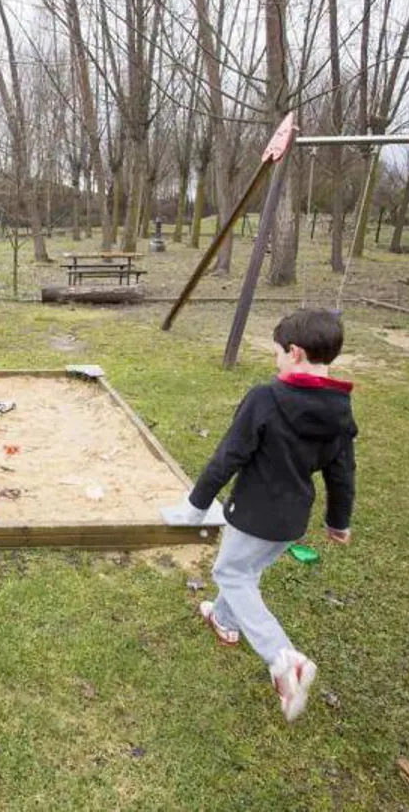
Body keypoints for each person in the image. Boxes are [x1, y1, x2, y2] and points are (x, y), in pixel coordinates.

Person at [163, 308, 357, 722]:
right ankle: (224, 620)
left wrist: (196, 505)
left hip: (252, 514)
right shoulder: (339, 408)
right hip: (291, 522)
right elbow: (342, 473)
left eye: (277, 353)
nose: (275, 360)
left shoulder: (265, 399)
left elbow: (228, 457)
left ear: (296, 352)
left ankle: (284, 659)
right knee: (246, 571)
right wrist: (338, 521)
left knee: (231, 573)